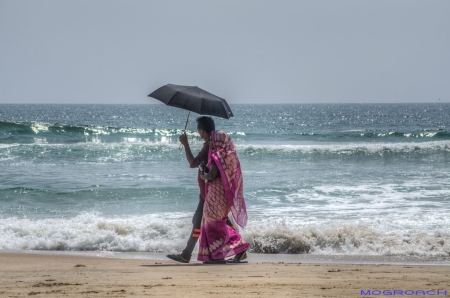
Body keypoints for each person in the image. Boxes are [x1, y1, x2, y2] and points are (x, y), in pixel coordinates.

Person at [166, 116, 236, 263]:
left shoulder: (209, 146)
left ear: (202, 131)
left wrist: (185, 144)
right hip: (207, 194)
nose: (198, 132)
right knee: (219, 222)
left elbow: (193, 163)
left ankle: (187, 254)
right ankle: (239, 250)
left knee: (200, 222)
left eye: (198, 130)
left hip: (209, 195)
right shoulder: (212, 145)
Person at [198, 129, 249, 264]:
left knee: (212, 224)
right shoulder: (229, 157)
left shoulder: (217, 156)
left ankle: (221, 254)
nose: (209, 143)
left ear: (217, 142)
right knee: (218, 223)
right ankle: (236, 250)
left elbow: (211, 175)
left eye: (211, 141)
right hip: (225, 197)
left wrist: (203, 174)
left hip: (215, 195)